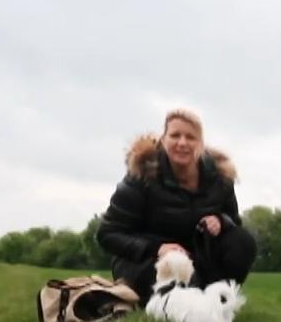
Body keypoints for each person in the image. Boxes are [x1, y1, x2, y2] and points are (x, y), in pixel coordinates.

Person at [97, 108, 255, 300]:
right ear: (164, 140)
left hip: (197, 257)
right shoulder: (141, 176)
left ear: (201, 144)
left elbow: (234, 221)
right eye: (175, 135)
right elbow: (107, 234)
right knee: (178, 285)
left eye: (190, 137)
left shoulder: (220, 178)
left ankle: (218, 299)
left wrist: (220, 221)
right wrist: (157, 248)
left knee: (242, 242)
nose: (182, 143)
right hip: (147, 261)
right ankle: (186, 297)